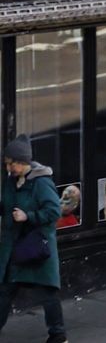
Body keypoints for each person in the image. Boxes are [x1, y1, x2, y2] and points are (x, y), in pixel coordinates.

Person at [0, 138, 65, 341]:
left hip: (35, 246)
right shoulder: (11, 181)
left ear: (22, 161)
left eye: (11, 164)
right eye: (6, 164)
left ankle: (58, 335)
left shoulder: (41, 182)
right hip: (14, 247)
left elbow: (54, 211)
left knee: (48, 293)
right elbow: (7, 206)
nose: (8, 168)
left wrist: (28, 216)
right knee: (4, 291)